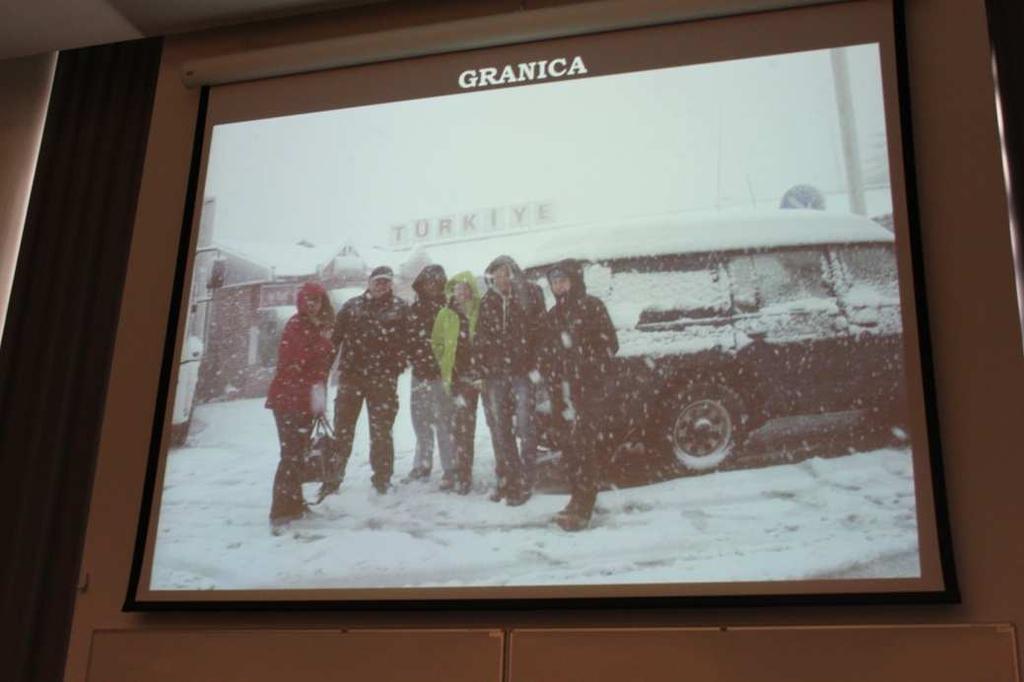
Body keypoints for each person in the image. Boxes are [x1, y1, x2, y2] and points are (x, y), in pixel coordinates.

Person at [539, 259, 619, 531]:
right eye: (554, 282)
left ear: (574, 280)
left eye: (563, 280)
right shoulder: (553, 315)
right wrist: (551, 372)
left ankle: (584, 506)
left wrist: (583, 364)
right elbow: (546, 353)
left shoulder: (592, 307)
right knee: (569, 447)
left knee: (584, 447)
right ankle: (576, 497)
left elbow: (610, 345)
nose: (558, 286)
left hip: (587, 390)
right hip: (561, 392)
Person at [323, 265, 409, 496]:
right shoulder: (351, 306)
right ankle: (332, 479)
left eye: (386, 282)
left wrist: (398, 364)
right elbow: (335, 340)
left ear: (391, 284)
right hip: (352, 378)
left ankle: (382, 478)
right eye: (378, 281)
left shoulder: (401, 308)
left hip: (383, 381)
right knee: (342, 431)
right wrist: (323, 369)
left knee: (381, 432)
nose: (382, 285)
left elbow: (409, 342)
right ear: (369, 282)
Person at [473, 255, 546, 506]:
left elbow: (541, 333)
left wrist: (536, 367)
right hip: (495, 377)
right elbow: (481, 339)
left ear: (514, 273)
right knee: (500, 429)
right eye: (497, 274)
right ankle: (507, 479)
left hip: (523, 374)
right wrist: (481, 371)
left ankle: (526, 480)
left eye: (506, 272)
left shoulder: (531, 295)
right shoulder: (488, 301)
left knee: (526, 427)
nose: (502, 278)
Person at [264, 281, 336, 531]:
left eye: (316, 300)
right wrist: (323, 343)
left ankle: (294, 505)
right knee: (290, 455)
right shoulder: (296, 326)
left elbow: (319, 371)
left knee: (299, 454)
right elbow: (294, 363)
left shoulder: (318, 327)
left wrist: (318, 404)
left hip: (305, 401)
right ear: (301, 302)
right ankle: (280, 511)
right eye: (308, 300)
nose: (312, 305)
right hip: (287, 400)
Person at [404, 264, 455, 486]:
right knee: (420, 421)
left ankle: (450, 467)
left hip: (442, 375)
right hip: (419, 374)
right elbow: (406, 339)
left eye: (436, 282)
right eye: (428, 282)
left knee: (444, 421)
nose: (431, 286)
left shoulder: (449, 308)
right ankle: (422, 464)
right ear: (422, 285)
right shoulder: (413, 310)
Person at [431, 271, 481, 495]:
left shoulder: (480, 311)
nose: (462, 293)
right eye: (458, 289)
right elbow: (437, 343)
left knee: (468, 427)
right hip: (456, 378)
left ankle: (465, 473)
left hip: (478, 377)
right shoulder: (446, 314)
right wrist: (445, 364)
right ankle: (459, 473)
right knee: (457, 426)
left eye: (466, 288)